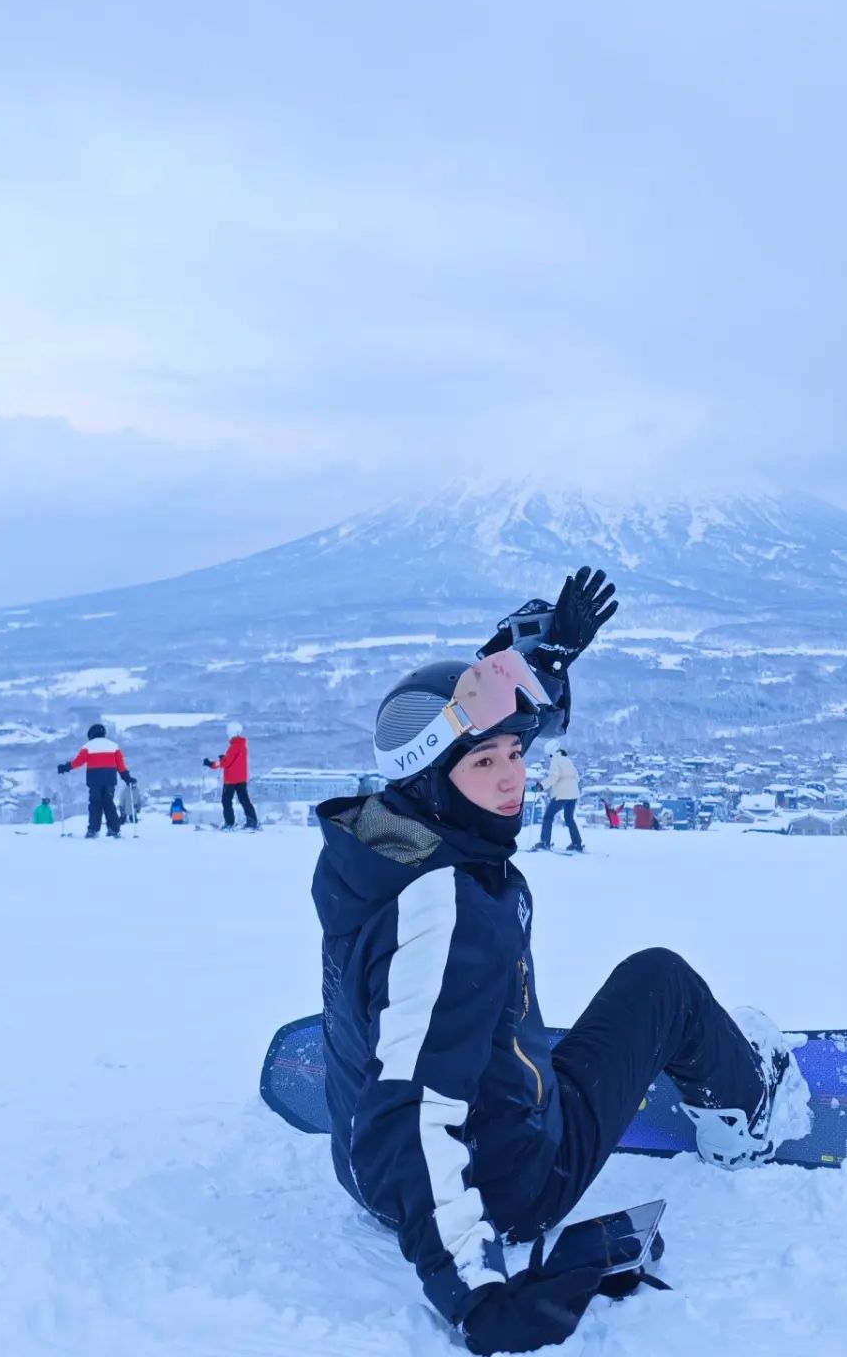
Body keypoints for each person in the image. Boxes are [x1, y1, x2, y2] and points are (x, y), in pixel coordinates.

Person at [312, 567, 809, 1355]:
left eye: (516, 751)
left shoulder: (377, 837)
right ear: (432, 777)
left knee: (470, 1013)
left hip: (365, 1177)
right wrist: (476, 1299)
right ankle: (750, 1117)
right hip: (505, 1186)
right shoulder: (449, 915)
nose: (513, 777)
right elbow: (412, 1114)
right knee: (661, 981)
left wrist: (532, 658)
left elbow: (452, 725)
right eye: (485, 765)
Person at [57, 723, 136, 838]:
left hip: (94, 781)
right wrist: (127, 778)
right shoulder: (113, 746)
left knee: (95, 804)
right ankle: (114, 829)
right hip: (109, 780)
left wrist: (65, 767)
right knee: (109, 803)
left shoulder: (88, 746)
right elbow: (121, 766)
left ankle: (93, 830)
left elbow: (77, 762)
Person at [205, 721, 257, 829]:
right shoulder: (243, 746)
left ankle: (229, 823)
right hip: (242, 779)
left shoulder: (233, 747)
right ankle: (252, 821)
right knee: (244, 800)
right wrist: (224, 758)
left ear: (231, 733)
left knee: (226, 801)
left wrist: (211, 764)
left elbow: (225, 763)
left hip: (231, 779)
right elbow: (234, 761)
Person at [533, 741, 583, 852]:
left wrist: (541, 786)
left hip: (562, 794)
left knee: (548, 817)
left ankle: (545, 842)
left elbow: (554, 777)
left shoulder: (556, 760)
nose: (550, 757)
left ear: (551, 751)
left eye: (549, 755)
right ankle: (577, 843)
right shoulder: (567, 760)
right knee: (569, 818)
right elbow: (577, 777)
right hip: (573, 793)